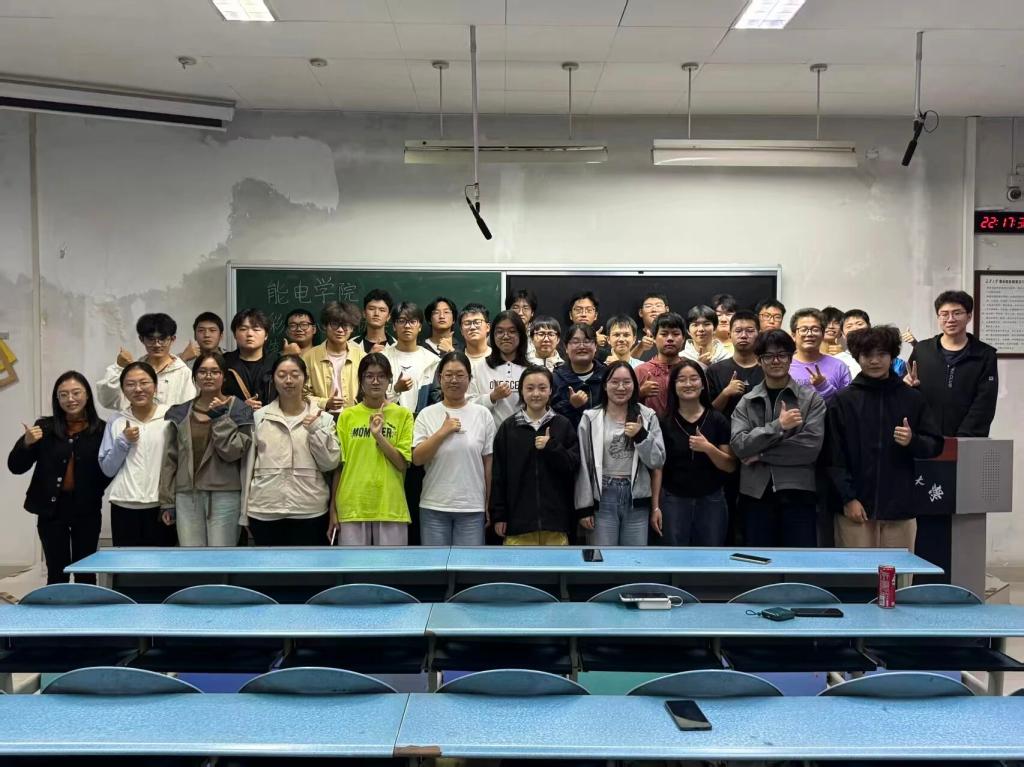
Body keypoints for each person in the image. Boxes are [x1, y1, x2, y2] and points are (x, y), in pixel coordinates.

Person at [828, 326, 943, 551]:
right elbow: (833, 456)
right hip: (856, 508)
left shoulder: (911, 398)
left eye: (881, 354)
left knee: (897, 571)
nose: (874, 361)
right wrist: (847, 499)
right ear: (857, 357)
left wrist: (912, 441)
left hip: (900, 507)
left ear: (892, 356)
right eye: (867, 355)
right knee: (858, 570)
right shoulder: (843, 401)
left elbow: (934, 444)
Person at [8, 372, 110, 584]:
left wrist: (94, 490)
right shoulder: (44, 427)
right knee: (56, 569)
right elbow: (16, 467)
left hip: (87, 508)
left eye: (76, 393)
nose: (70, 399)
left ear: (87, 395)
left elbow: (109, 469)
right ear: (57, 398)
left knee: (85, 570)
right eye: (63, 394)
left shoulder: (102, 429)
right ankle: (55, 605)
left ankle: (87, 605)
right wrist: (26, 443)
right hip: (51, 508)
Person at [730, 329, 826, 548]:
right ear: (759, 360)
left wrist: (761, 454)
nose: (776, 361)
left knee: (799, 560)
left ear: (791, 358)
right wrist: (778, 426)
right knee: (758, 559)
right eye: (768, 356)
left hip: (798, 492)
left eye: (782, 355)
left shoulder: (811, 399)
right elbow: (739, 445)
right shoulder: (747, 401)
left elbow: (810, 447)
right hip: (755, 494)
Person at [242, 355, 340, 546]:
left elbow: (330, 463)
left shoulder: (323, 418)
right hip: (265, 509)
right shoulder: (259, 417)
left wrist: (316, 430)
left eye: (295, 375)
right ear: (273, 379)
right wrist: (243, 513)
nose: (288, 380)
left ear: (305, 379)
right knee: (268, 565)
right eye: (282, 375)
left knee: (308, 564)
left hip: (309, 510)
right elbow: (247, 468)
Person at [160, 352, 253, 547]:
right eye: (202, 372)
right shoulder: (180, 412)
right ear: (194, 376)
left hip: (225, 494)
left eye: (215, 372)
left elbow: (234, 452)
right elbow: (170, 460)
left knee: (221, 555)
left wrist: (220, 418)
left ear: (224, 376)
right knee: (191, 556)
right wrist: (167, 501)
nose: (208, 376)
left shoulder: (239, 409)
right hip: (187, 494)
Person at [575, 361, 665, 546]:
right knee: (603, 557)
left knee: (634, 559)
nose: (621, 387)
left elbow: (658, 461)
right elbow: (584, 465)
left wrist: (641, 436)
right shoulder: (590, 418)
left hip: (636, 499)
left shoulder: (647, 416)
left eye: (627, 382)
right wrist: (584, 507)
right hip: (602, 497)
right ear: (605, 386)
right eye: (614, 382)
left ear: (634, 385)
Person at [490, 366, 581, 545]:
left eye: (542, 388)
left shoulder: (562, 425)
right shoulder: (508, 428)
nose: (536, 394)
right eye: (530, 388)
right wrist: (499, 514)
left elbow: (573, 467)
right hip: (518, 524)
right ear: (521, 391)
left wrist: (552, 447)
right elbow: (499, 475)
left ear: (551, 390)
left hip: (555, 524)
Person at [412, 352, 496, 546]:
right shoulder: (426, 414)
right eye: (448, 375)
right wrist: (442, 432)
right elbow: (417, 459)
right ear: (439, 378)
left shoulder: (482, 414)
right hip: (434, 505)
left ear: (469, 378)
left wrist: (488, 502)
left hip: (471, 507)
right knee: (435, 563)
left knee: (469, 563)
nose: (454, 380)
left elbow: (488, 463)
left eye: (460, 375)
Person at [331, 354, 414, 546]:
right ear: (361, 381)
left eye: (381, 376)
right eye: (369, 376)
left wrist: (378, 436)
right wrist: (333, 510)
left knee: (391, 565)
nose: (375, 381)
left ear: (390, 380)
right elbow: (340, 466)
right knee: (353, 565)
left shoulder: (403, 415)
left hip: (390, 506)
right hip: (352, 505)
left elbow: (402, 464)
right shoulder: (347, 416)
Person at [651, 360, 736, 546]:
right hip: (674, 499)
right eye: (681, 380)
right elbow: (658, 467)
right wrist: (655, 506)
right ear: (673, 386)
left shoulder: (717, 419)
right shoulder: (664, 422)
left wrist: (708, 448)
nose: (688, 384)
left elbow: (730, 466)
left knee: (710, 555)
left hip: (711, 499)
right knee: (674, 555)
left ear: (703, 384)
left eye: (694, 379)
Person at [98, 362, 175, 547]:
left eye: (144, 382)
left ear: (155, 386)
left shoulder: (170, 416)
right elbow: (107, 469)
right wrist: (123, 441)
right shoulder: (116, 420)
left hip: (161, 505)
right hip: (124, 505)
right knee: (126, 562)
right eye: (130, 384)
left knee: (161, 561)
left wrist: (172, 502)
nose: (138, 389)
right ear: (123, 390)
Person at [906, 290, 998, 437]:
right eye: (944, 314)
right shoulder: (922, 350)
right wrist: (907, 385)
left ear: (969, 316)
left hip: (968, 438)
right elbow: (908, 392)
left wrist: (964, 437)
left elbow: (985, 402)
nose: (950, 319)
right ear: (938, 317)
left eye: (957, 313)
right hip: (925, 437)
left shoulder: (985, 354)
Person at [96, 313, 195, 410]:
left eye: (162, 339)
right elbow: (108, 401)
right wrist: (118, 367)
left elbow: (187, 411)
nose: (157, 345)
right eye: (151, 339)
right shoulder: (133, 371)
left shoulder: (184, 373)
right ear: (141, 339)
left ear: (172, 339)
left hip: (170, 421)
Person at [301, 301, 365, 415]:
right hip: (319, 418)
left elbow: (368, 391)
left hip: (354, 417)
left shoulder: (361, 356)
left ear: (352, 328)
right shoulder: (309, 358)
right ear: (325, 326)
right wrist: (325, 403)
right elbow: (301, 394)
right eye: (335, 324)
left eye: (345, 325)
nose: (340, 330)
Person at [468, 311, 528, 427]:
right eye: (500, 332)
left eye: (512, 331)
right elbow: (468, 405)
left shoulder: (531, 370)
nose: (505, 336)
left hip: (523, 433)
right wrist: (492, 397)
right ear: (493, 336)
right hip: (488, 434)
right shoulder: (479, 368)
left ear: (521, 335)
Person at [382, 302, 440, 413]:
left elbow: (437, 401)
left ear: (420, 326)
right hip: (388, 419)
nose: (407, 326)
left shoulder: (432, 361)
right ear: (394, 326)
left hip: (422, 421)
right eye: (401, 321)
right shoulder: (382, 358)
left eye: (413, 321)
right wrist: (396, 390)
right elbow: (373, 400)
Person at [707, 310, 764, 419]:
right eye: (738, 331)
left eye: (750, 331)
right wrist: (725, 394)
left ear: (759, 334)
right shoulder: (714, 370)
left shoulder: (767, 369)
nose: (743, 335)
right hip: (724, 429)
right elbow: (707, 415)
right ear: (729, 335)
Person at [788, 308, 851, 402]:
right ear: (793, 335)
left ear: (822, 334)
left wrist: (824, 386)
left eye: (815, 329)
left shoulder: (839, 367)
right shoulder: (784, 365)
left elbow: (847, 403)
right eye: (803, 329)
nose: (809, 334)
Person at [551, 323, 606, 430]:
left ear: (595, 346)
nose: (581, 346)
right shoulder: (555, 379)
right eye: (575, 342)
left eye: (587, 341)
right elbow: (549, 415)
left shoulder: (607, 376)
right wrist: (571, 405)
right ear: (566, 348)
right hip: (567, 438)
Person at [222, 308, 275, 410]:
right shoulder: (223, 363)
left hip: (270, 418)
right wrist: (239, 407)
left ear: (266, 335)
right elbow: (213, 399)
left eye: (256, 329)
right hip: (234, 419)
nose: (250, 334)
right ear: (235, 335)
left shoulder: (277, 363)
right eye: (243, 329)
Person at [635, 311, 686, 417]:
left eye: (676, 334)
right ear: (654, 338)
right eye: (664, 334)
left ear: (683, 339)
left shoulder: (691, 369)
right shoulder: (640, 371)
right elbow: (624, 406)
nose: (670, 338)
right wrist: (640, 393)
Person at [838, 309, 908, 379]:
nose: (855, 328)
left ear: (869, 326)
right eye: (849, 326)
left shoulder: (895, 361)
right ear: (842, 334)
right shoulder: (838, 361)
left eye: (859, 324)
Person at [352, 289, 395, 353]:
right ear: (364, 313)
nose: (376, 313)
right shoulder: (351, 344)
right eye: (371, 309)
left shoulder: (396, 346)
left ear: (388, 316)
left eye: (382, 310)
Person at [569, 290, 609, 356]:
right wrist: (593, 341)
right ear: (571, 315)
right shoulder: (559, 341)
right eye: (578, 310)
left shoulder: (604, 342)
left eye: (589, 310)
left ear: (595, 316)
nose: (583, 314)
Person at [632, 293, 669, 362]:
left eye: (658, 306)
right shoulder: (631, 336)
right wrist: (640, 347)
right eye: (648, 306)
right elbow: (625, 364)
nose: (654, 310)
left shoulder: (676, 336)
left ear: (667, 310)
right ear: (641, 312)